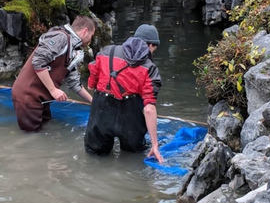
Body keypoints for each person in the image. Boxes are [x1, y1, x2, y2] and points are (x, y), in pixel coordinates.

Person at [84, 24, 163, 163]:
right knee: (133, 157)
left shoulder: (106, 52)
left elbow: (92, 78)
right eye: (154, 49)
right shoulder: (149, 68)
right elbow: (149, 108)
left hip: (102, 112)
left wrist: (91, 85)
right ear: (150, 45)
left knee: (94, 156)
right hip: (130, 120)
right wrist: (155, 145)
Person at [12, 15, 96, 132]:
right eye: (91, 36)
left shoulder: (73, 50)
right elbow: (38, 61)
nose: (90, 40)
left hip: (42, 98)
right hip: (28, 96)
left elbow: (75, 84)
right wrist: (53, 90)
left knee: (46, 127)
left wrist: (94, 102)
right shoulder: (60, 37)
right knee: (32, 135)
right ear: (85, 31)